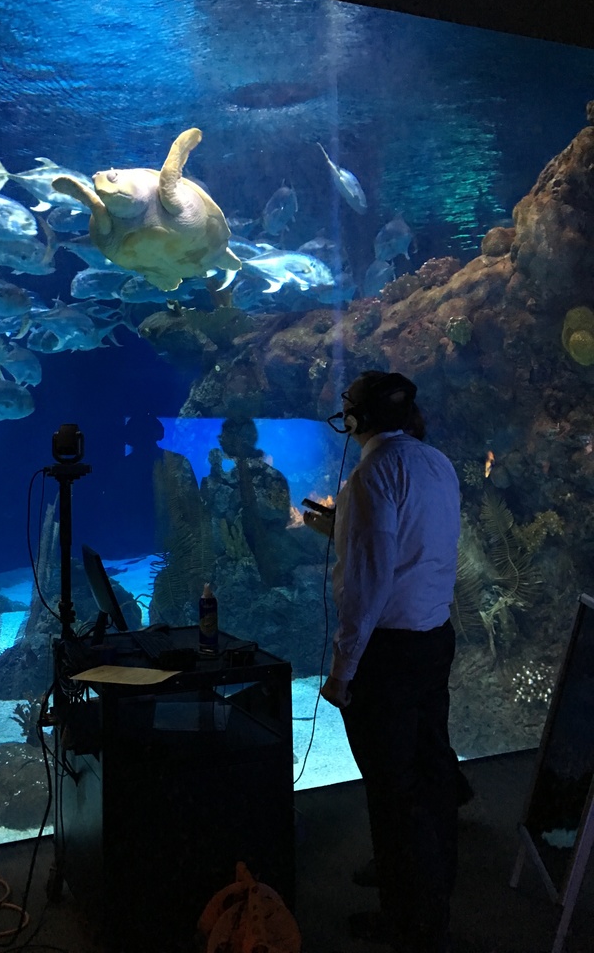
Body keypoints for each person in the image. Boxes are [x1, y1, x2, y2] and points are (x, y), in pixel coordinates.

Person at [305, 370, 461, 953]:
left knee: (392, 788)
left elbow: (368, 584)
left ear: (358, 418)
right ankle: (430, 885)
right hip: (432, 640)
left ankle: (408, 920)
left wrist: (343, 672)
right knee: (430, 771)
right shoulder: (436, 462)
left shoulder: (371, 474)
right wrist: (339, 528)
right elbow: (414, 549)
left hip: (388, 654)